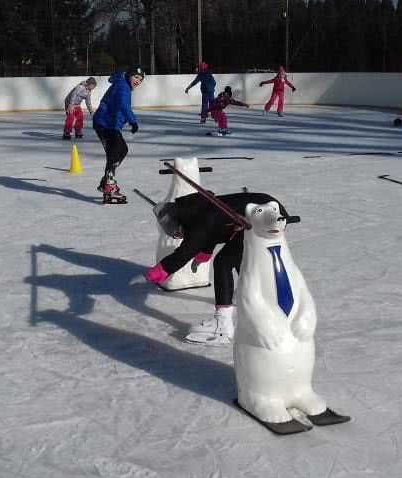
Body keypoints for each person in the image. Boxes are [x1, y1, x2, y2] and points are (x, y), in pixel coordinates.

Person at [143, 191, 291, 346]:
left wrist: (156, 272)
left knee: (223, 262)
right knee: (238, 257)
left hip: (267, 215)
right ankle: (256, 300)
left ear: (177, 222)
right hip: (266, 209)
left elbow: (184, 252)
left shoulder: (198, 221)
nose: (179, 236)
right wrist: (202, 256)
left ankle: (223, 325)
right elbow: (212, 231)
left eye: (177, 233)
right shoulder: (197, 211)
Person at [92, 66, 145, 203]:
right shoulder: (124, 87)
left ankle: (107, 183)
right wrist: (133, 121)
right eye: (136, 77)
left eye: (140, 79)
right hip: (106, 124)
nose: (138, 81)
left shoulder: (121, 84)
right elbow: (123, 105)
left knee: (118, 151)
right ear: (128, 76)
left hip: (107, 124)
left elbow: (117, 105)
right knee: (117, 152)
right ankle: (109, 185)